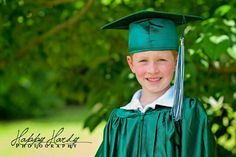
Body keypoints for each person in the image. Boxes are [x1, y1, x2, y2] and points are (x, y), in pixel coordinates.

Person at [95, 10, 217, 157]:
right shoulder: (119, 120)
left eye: (162, 60)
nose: (152, 70)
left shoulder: (188, 113)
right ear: (131, 64)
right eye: (143, 61)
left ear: (176, 61)